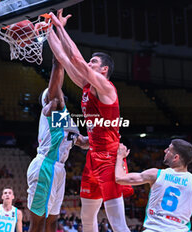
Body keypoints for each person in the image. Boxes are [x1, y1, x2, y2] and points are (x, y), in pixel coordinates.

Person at [47, 9, 133, 232]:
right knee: (86, 217)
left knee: (117, 222)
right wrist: (48, 28)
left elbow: (76, 59)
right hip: (93, 155)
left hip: (110, 157)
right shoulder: (87, 87)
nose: (89, 63)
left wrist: (61, 28)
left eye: (93, 62)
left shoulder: (106, 88)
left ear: (103, 69)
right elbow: (65, 60)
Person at [26, 12, 89, 232]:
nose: (57, 96)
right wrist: (57, 30)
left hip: (59, 170)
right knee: (38, 222)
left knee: (53, 220)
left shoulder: (65, 119)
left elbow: (80, 141)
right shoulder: (53, 103)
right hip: (45, 165)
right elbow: (58, 63)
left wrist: (102, 139)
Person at [115, 139, 192, 232]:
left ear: (176, 157)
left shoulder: (156, 174)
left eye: (169, 150)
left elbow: (119, 178)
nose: (165, 151)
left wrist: (120, 156)